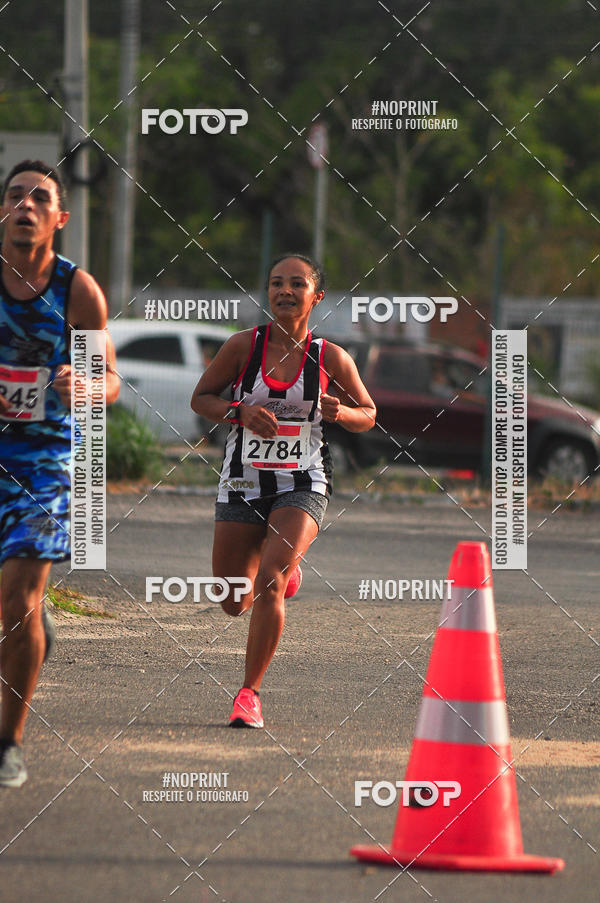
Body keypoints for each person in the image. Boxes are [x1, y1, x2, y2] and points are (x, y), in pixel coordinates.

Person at [191, 254, 376, 729]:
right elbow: (201, 398)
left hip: (304, 479)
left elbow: (368, 414)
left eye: (297, 283)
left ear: (316, 296)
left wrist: (339, 413)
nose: (285, 291)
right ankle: (284, 569)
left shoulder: (330, 357)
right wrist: (239, 412)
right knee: (233, 598)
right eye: (276, 283)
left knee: (270, 576)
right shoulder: (241, 348)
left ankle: (249, 693)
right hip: (243, 479)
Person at [0, 160, 120, 786]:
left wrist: (87, 383)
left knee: (17, 603)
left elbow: (113, 382)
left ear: (59, 219)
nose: (25, 205)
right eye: (15, 195)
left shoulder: (78, 292)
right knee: (12, 609)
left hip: (43, 461)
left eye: (38, 198)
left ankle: (7, 744)